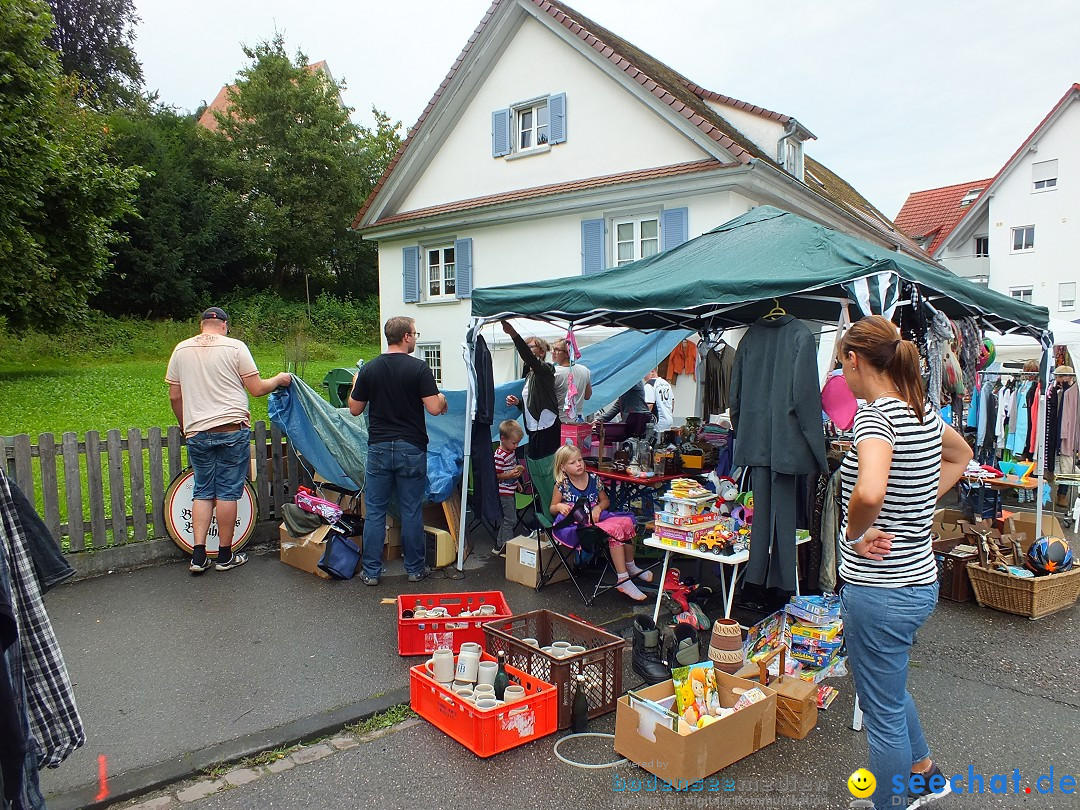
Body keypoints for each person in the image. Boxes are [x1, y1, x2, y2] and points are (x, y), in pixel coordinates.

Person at [836, 315, 971, 810]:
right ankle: (925, 773)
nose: (842, 376)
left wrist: (854, 532)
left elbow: (870, 489)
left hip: (881, 590)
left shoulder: (875, 416)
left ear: (854, 360)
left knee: (881, 710)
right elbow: (962, 456)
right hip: (916, 583)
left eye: (841, 364)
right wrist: (917, 500)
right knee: (890, 688)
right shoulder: (921, 410)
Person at [166, 307, 291, 574]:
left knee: (202, 491)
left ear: (202, 325)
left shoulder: (181, 350)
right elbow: (257, 389)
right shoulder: (235, 347)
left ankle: (198, 556)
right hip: (231, 430)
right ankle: (225, 556)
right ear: (224, 325)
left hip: (197, 431)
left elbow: (175, 396)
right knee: (227, 492)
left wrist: (185, 426)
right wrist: (279, 379)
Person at [349, 316, 447, 585]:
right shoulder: (419, 368)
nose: (416, 338)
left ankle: (370, 572)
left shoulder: (369, 369)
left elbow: (355, 409)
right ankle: (415, 570)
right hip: (411, 448)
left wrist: (357, 382)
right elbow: (435, 408)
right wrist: (442, 397)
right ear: (405, 337)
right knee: (411, 510)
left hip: (379, 448)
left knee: (376, 511)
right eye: (415, 334)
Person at [549, 444, 652, 601]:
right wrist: (559, 506)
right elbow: (552, 508)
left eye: (580, 460)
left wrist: (598, 507)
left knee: (626, 522)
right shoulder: (562, 485)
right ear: (563, 467)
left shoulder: (593, 479)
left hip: (596, 516)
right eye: (572, 462)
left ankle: (630, 566)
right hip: (577, 523)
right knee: (615, 529)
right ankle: (623, 579)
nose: (579, 464)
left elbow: (605, 501)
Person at [502, 323, 560, 458]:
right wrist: (518, 403)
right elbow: (532, 406)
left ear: (542, 352)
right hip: (534, 428)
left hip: (547, 427)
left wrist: (513, 334)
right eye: (527, 347)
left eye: (531, 347)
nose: (528, 349)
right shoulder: (530, 375)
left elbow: (529, 357)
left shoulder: (546, 369)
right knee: (535, 467)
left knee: (546, 467)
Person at [493, 420, 525, 555]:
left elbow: (510, 469)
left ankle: (499, 546)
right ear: (503, 439)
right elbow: (496, 475)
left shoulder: (510, 452)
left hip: (510, 489)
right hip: (503, 492)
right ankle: (506, 547)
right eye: (514, 443)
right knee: (511, 520)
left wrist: (516, 480)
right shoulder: (500, 455)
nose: (516, 446)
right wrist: (510, 475)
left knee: (508, 519)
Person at [551, 338, 592, 422]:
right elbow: (587, 395)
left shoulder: (555, 373)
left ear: (567, 353)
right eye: (553, 349)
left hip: (560, 421)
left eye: (557, 350)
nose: (553, 352)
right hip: (578, 420)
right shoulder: (585, 370)